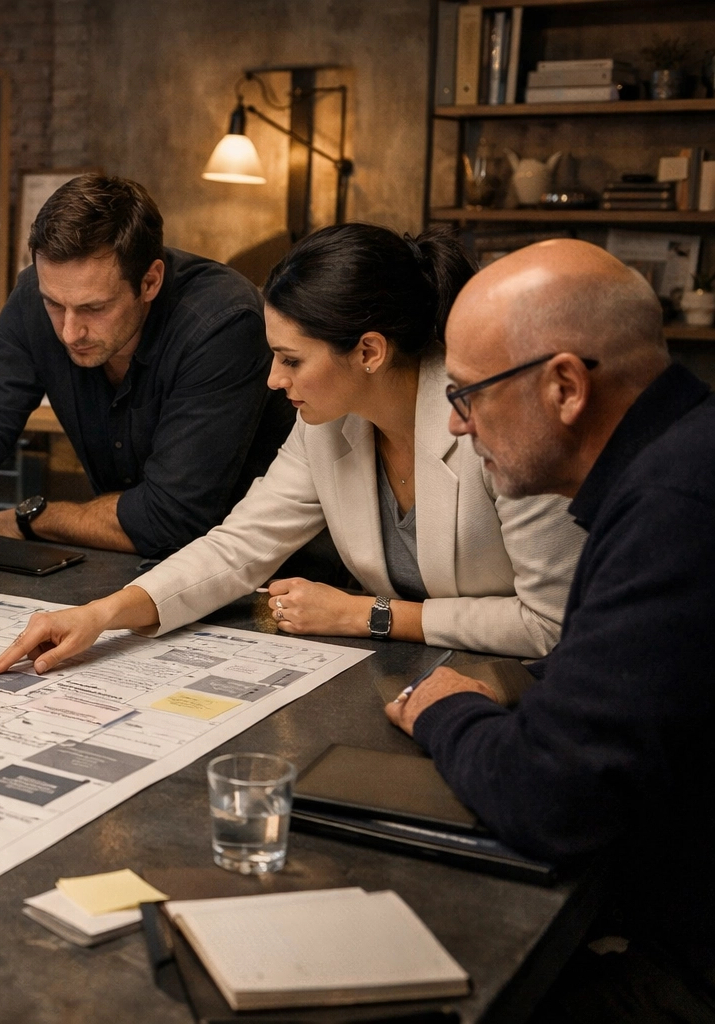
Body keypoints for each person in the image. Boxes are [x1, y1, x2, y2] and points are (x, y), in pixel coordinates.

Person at [0, 224, 585, 676]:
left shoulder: (501, 424)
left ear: (369, 352)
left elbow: (552, 625)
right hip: (421, 677)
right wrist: (101, 615)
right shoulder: (328, 421)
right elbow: (240, 546)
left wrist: (367, 615)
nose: (273, 379)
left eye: (291, 360)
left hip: (532, 690)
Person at [383, 239, 715, 1022]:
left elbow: (552, 797)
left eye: (466, 395)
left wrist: (444, 708)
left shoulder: (676, 509)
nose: (459, 427)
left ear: (565, 385)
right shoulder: (678, 460)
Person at [0, 173, 296, 645]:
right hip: (127, 584)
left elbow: (172, 518)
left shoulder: (221, 322)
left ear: (149, 281)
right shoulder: (35, 299)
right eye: (54, 304)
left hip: (267, 596)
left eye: (94, 308)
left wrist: (34, 517)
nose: (68, 331)